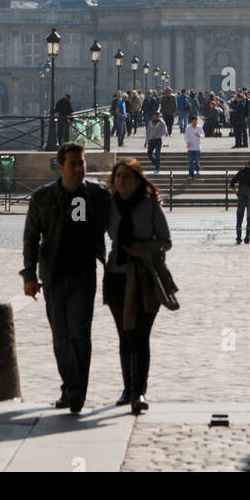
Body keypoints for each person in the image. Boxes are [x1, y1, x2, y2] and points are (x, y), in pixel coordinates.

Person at [20, 141, 110, 414]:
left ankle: (75, 391)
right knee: (60, 336)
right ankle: (70, 385)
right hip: (54, 275)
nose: (79, 168)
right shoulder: (42, 198)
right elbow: (31, 238)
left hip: (83, 274)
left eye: (81, 163)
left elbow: (123, 208)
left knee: (79, 334)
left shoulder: (95, 195)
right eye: (73, 163)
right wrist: (29, 275)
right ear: (60, 166)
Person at [104, 157, 172, 413]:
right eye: (118, 176)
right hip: (117, 275)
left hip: (145, 276)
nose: (122, 180)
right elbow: (84, 221)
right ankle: (127, 388)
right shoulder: (108, 205)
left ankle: (139, 391)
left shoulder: (150, 205)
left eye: (128, 176)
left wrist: (141, 249)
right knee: (125, 334)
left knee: (141, 335)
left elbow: (165, 240)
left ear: (138, 180)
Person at [230, 157, 250, 243]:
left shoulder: (241, 171)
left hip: (241, 195)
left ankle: (238, 238)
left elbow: (232, 183)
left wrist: (236, 193)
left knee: (239, 218)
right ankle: (247, 238)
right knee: (249, 219)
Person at [184, 112, 203, 176]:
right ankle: (191, 174)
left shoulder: (199, 127)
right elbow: (186, 136)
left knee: (197, 160)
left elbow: (203, 135)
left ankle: (197, 170)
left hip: (197, 147)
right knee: (190, 161)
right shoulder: (188, 128)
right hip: (190, 147)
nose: (195, 122)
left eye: (196, 121)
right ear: (191, 121)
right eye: (194, 121)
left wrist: (199, 135)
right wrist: (187, 142)